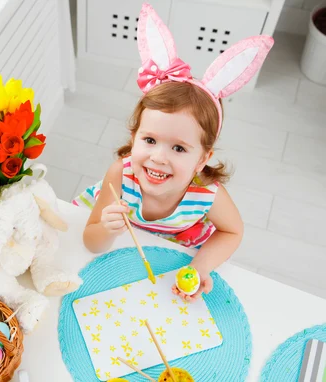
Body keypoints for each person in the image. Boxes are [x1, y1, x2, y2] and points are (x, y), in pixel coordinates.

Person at [75, 2, 274, 301]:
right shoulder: (121, 174)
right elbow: (91, 243)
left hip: (173, 256)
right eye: (150, 140)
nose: (158, 157)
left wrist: (201, 266)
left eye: (179, 148)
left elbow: (232, 232)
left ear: (203, 159)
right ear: (134, 136)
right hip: (123, 259)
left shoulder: (207, 193)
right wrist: (106, 228)